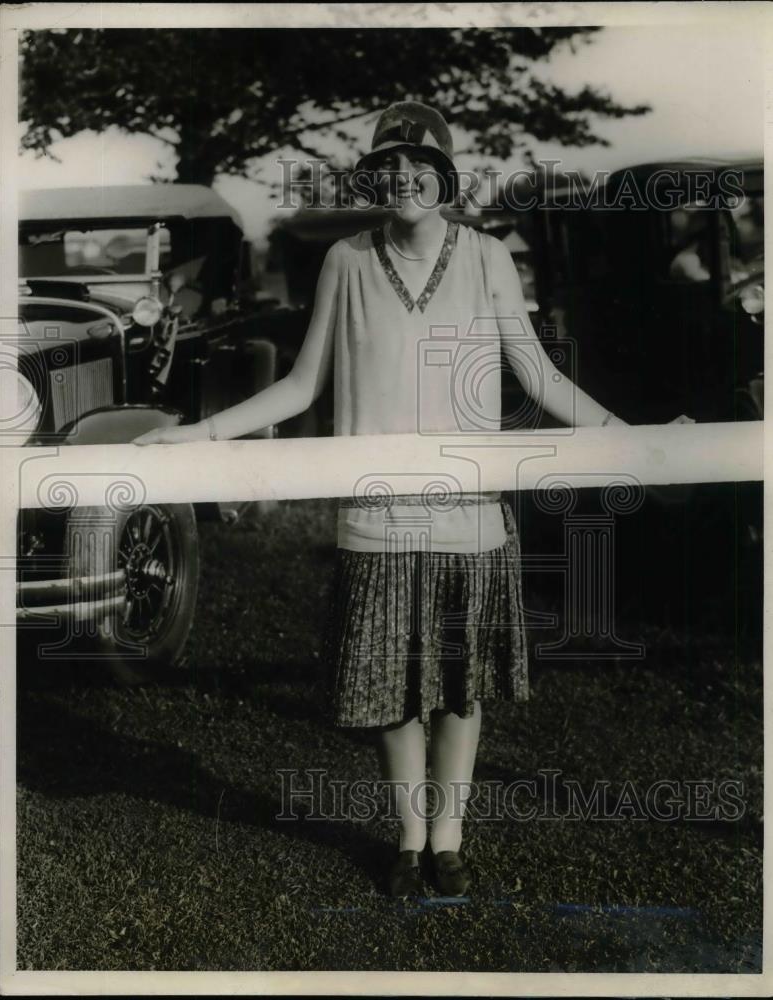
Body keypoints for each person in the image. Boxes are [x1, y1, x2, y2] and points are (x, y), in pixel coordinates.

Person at [134, 101, 692, 899]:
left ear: (444, 177)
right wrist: (199, 434)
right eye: (389, 166)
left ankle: (450, 839)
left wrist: (630, 439)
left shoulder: (487, 255)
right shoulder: (346, 261)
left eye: (419, 166)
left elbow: (534, 373)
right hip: (377, 519)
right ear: (374, 177)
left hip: (470, 517)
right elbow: (300, 385)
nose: (404, 178)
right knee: (393, 691)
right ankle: (407, 839)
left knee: (460, 688)